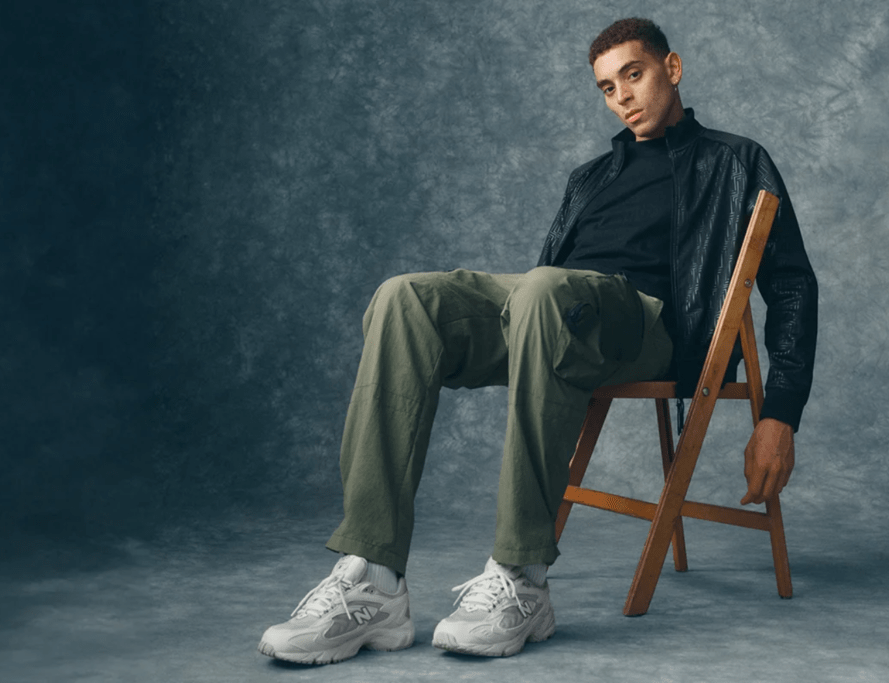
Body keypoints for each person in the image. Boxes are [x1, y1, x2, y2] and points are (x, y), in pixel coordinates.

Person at [258, 17, 817, 663]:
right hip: (557, 309)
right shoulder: (589, 178)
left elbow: (792, 284)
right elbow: (546, 284)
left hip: (649, 324)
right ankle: (372, 578)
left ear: (672, 68)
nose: (622, 96)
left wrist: (780, 412)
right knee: (404, 298)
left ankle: (521, 577)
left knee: (546, 290)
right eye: (607, 87)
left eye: (634, 75)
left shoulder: (735, 160)